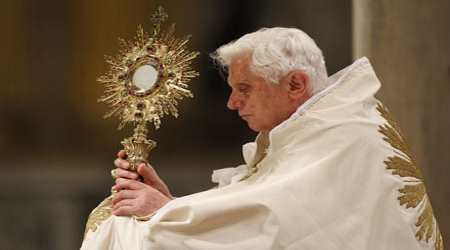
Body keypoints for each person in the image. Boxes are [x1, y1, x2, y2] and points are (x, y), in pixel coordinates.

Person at [81, 27, 443, 250]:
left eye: (244, 89)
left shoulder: (346, 135)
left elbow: (278, 220)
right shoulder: (304, 133)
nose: (232, 102)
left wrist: (166, 213)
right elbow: (258, 214)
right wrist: (171, 203)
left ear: (295, 85)